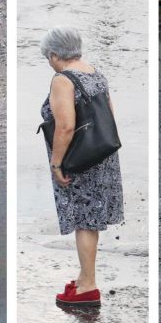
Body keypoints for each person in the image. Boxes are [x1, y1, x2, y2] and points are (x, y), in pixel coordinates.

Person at [39, 26, 124, 307]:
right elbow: (109, 115)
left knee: (85, 222)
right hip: (102, 155)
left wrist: (56, 163)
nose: (49, 63)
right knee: (92, 219)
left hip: (80, 160)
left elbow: (65, 126)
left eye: (47, 57)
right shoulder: (94, 72)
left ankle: (88, 286)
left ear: (54, 55)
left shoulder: (62, 80)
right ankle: (83, 276)